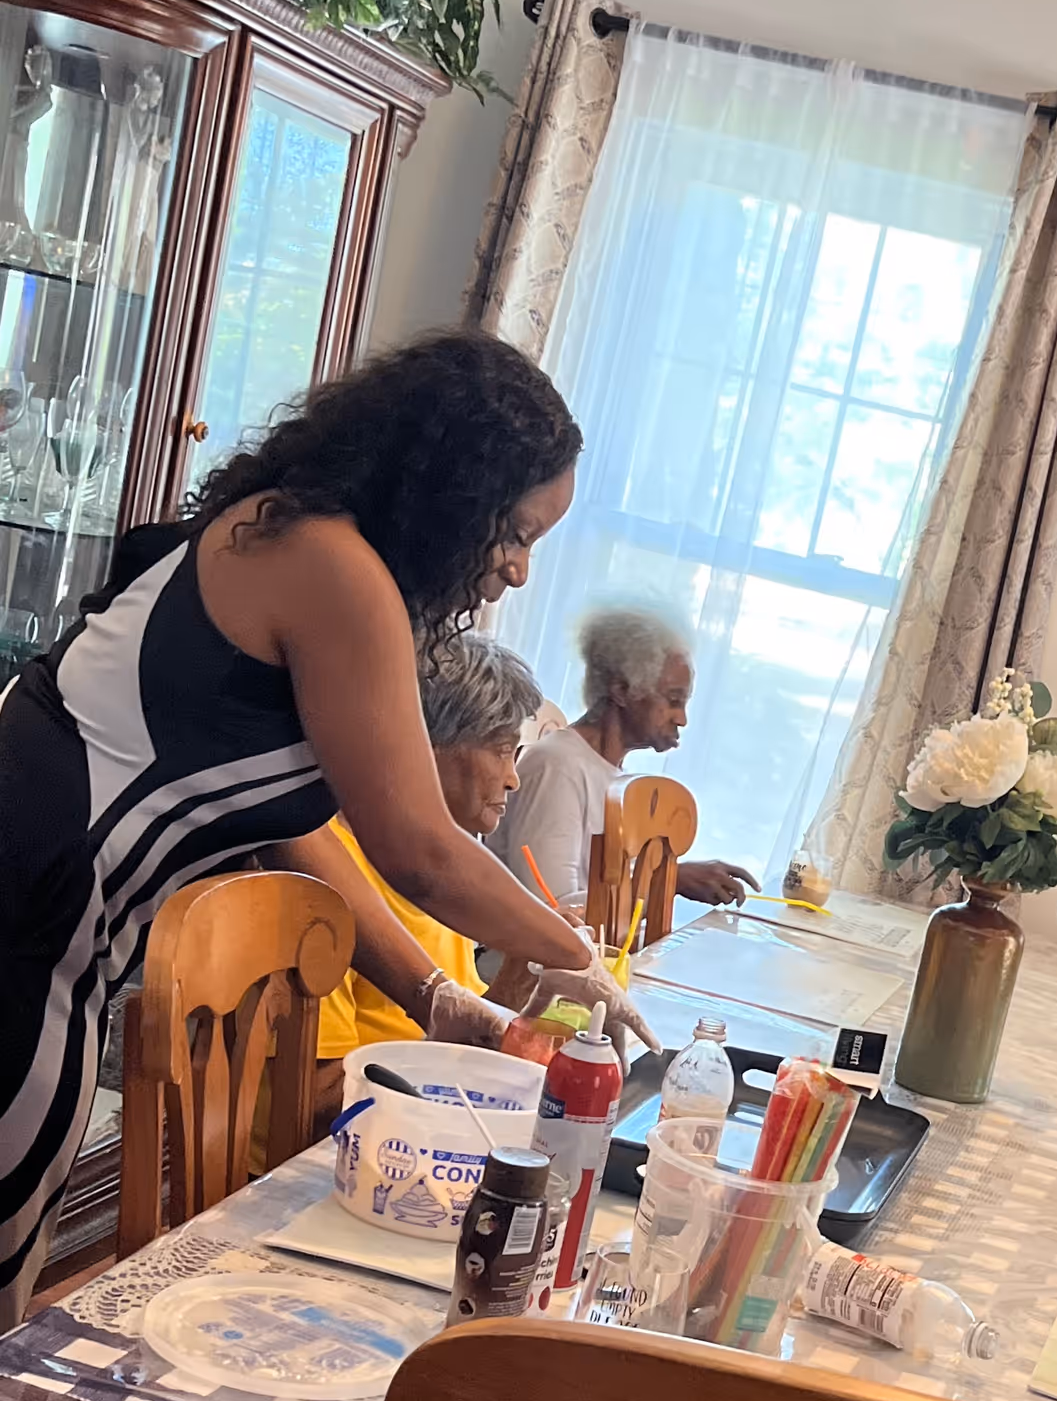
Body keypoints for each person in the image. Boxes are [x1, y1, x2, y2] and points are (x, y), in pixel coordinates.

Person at [0, 330, 657, 1332]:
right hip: (28, 915)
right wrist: (576, 956)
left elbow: (295, 835)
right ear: (452, 491)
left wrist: (436, 995)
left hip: (49, 917)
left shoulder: (298, 535)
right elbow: (420, 849)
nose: (519, 570)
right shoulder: (335, 572)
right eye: (515, 531)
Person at [316, 631, 543, 1068]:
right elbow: (318, 1094)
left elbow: (463, 1038)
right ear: (420, 747)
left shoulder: (450, 869)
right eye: (500, 751)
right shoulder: (328, 873)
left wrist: (519, 971)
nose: (512, 778)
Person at [491, 604, 757, 913]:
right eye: (673, 701)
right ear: (621, 690)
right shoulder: (557, 767)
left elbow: (603, 888)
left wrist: (671, 878)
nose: (682, 719)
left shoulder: (608, 773)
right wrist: (668, 881)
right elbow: (553, 910)